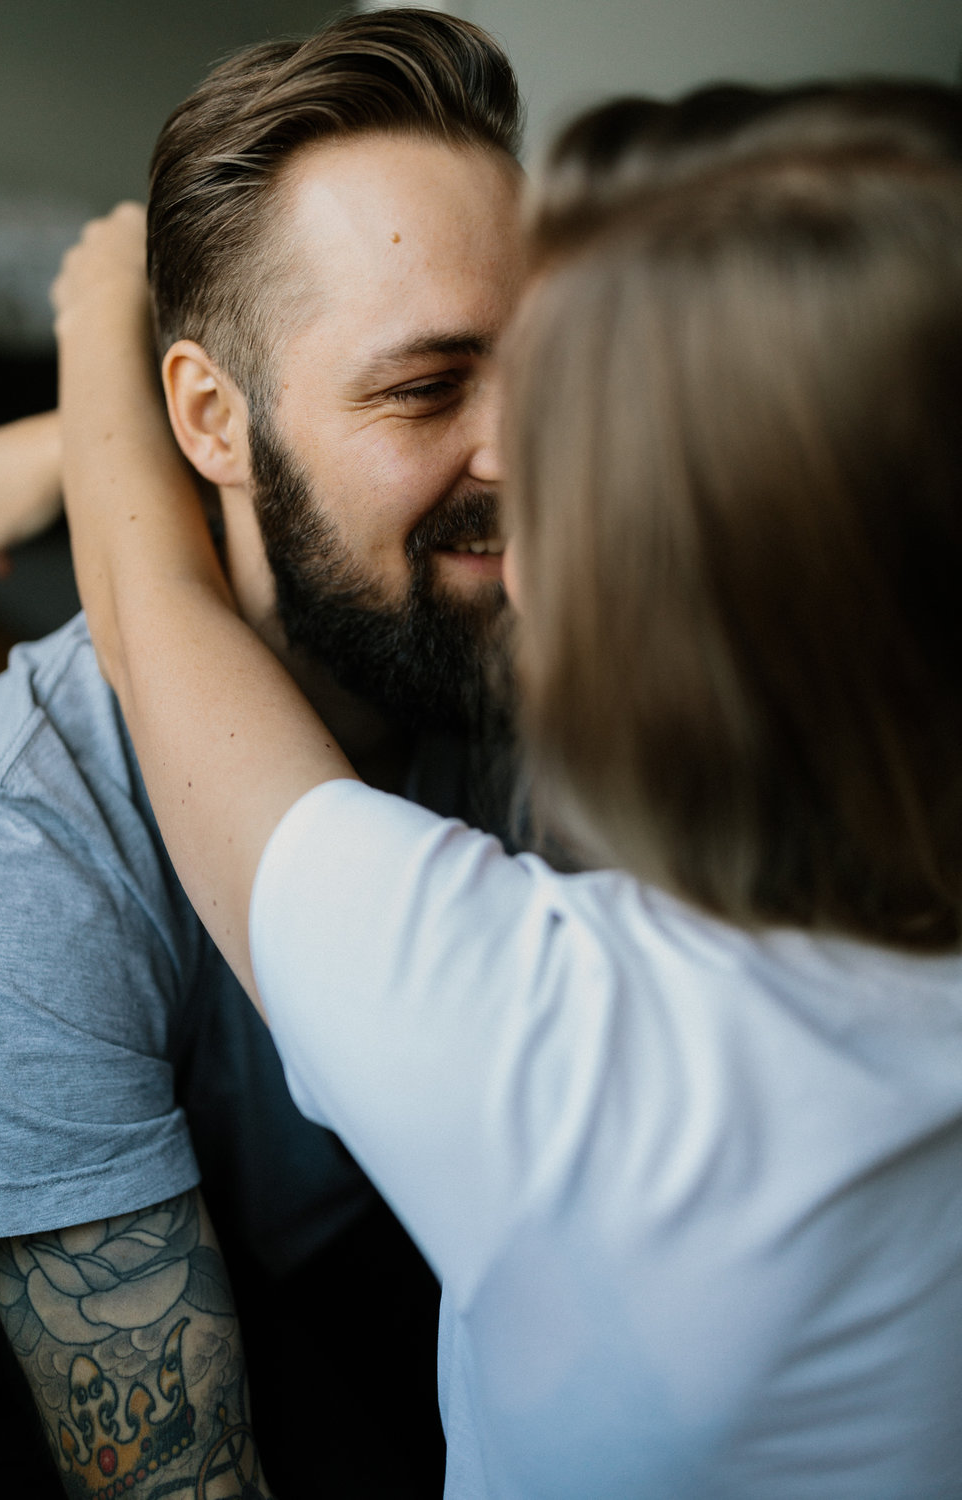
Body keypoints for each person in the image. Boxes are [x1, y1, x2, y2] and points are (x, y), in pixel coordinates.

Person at [52, 78, 962, 1499]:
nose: (519, 510)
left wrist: (97, 317)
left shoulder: (567, 1058)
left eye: (576, 443)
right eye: (426, 387)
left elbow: (151, 613)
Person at [0, 10, 524, 1498]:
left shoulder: (596, 665)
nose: (530, 452)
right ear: (206, 418)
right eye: (424, 388)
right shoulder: (23, 829)